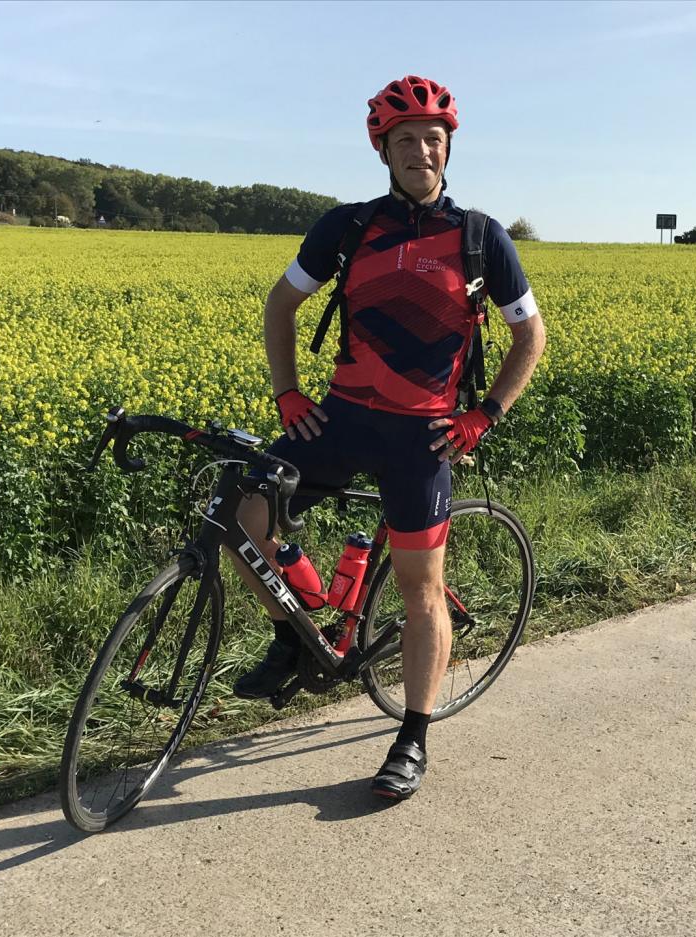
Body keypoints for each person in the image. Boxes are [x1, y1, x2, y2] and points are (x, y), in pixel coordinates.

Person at [229, 75, 546, 800]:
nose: (421, 149)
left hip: (422, 439)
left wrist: (485, 414)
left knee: (418, 587)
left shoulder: (479, 238)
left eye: (433, 138)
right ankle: (293, 633)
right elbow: (281, 304)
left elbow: (529, 335)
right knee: (243, 514)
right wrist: (287, 390)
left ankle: (412, 735)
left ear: (447, 149)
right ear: (384, 150)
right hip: (339, 418)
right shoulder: (347, 227)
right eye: (405, 139)